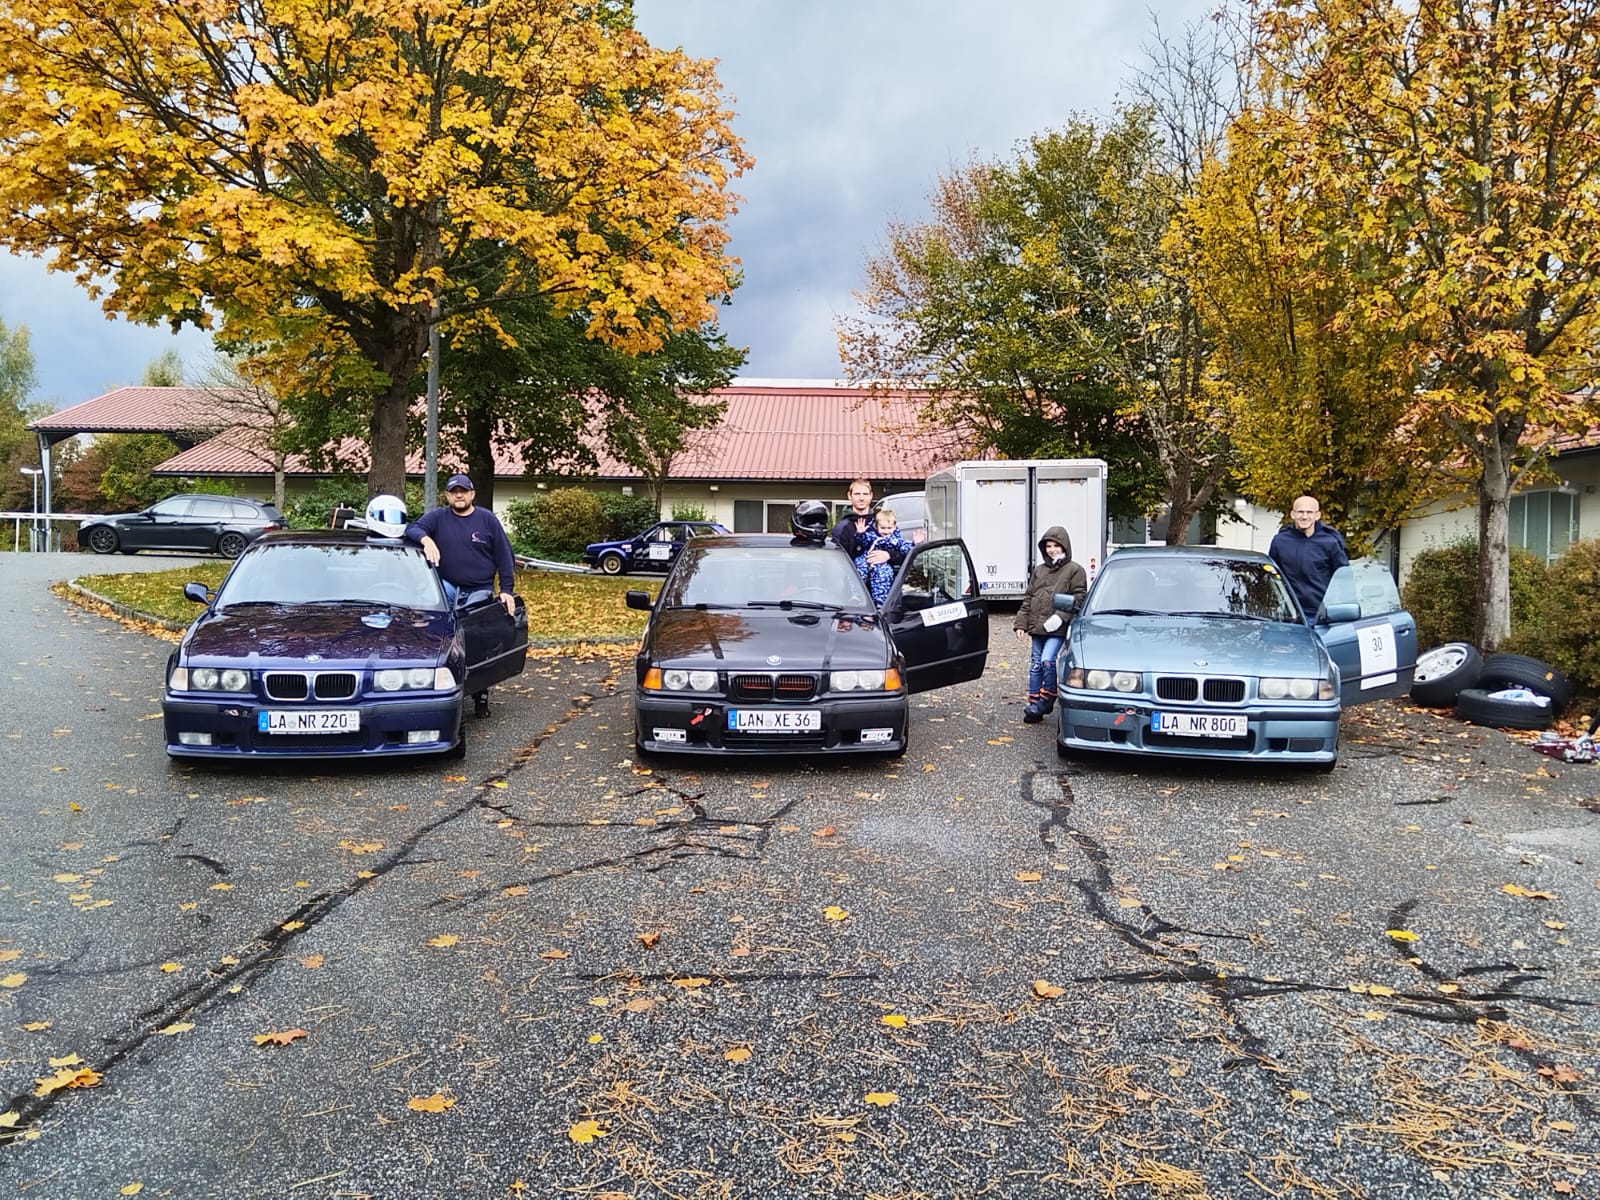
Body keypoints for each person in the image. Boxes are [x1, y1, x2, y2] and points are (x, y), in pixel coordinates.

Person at [404, 474, 518, 718]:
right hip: (447, 588)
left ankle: (480, 693)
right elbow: (411, 528)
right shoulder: (438, 517)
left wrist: (506, 591)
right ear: (447, 495)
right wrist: (426, 540)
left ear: (472, 494)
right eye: (454, 491)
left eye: (463, 491)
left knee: (475, 639)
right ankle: (436, 686)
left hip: (479, 589)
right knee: (439, 633)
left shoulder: (487, 520)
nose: (459, 495)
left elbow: (504, 557)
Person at [1014, 526, 1088, 723]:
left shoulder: (1075, 570)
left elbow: (1079, 597)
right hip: (1037, 626)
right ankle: (1034, 705)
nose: (1052, 550)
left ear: (1064, 546)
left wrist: (1060, 617)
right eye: (1048, 546)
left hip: (1057, 628)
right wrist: (1021, 623)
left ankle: (1048, 695)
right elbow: (1029, 598)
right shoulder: (1039, 570)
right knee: (1035, 665)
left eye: (1056, 545)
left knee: (1047, 660)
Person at [1269, 495, 1349, 621]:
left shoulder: (1330, 542)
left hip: (1322, 615)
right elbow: (1271, 575)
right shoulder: (1279, 541)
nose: (1304, 516)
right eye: (1300, 512)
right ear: (1292, 514)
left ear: (1317, 515)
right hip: (1289, 614)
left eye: (1309, 512)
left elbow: (1344, 577)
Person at [831, 477, 893, 580]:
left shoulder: (882, 522)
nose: (861, 498)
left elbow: (900, 549)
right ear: (849, 496)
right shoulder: (841, 528)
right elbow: (836, 562)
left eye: (865, 494)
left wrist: (888, 555)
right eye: (857, 494)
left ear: (871, 496)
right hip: (853, 582)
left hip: (882, 583)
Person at [853, 507, 912, 606]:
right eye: (883, 528)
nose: (886, 531)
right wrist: (860, 534)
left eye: (889, 528)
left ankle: (880, 601)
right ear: (877, 527)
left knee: (884, 573)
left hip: (882, 563)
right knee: (859, 567)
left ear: (894, 527)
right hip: (867, 557)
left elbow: (904, 547)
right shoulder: (872, 535)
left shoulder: (895, 539)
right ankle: (856, 594)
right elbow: (864, 541)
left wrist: (914, 544)